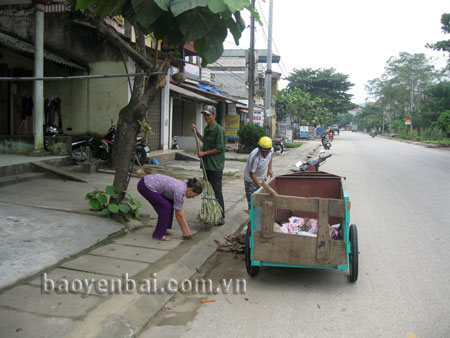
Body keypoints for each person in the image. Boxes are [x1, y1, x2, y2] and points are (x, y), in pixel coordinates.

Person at [137, 174, 202, 241]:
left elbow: (178, 207)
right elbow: (179, 213)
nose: (192, 197)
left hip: (147, 182)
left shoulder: (183, 186)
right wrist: (186, 232)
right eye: (194, 195)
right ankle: (158, 235)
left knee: (169, 204)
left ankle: (163, 229)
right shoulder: (180, 191)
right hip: (145, 186)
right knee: (165, 207)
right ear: (190, 189)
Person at [192, 105, 226, 225]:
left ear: (214, 115)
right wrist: (197, 133)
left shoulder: (219, 130)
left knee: (217, 190)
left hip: (215, 165)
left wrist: (204, 153)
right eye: (205, 115)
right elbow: (205, 141)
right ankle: (210, 212)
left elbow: (219, 148)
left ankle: (221, 215)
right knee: (208, 189)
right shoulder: (207, 129)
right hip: (206, 165)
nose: (206, 117)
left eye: (208, 114)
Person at [244, 136, 274, 210]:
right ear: (259, 148)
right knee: (252, 200)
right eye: (262, 151)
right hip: (251, 180)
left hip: (262, 177)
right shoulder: (254, 158)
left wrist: (269, 169)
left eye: (266, 151)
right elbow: (252, 174)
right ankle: (251, 219)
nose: (264, 153)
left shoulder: (271, 150)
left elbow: (270, 157)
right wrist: (260, 187)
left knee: (262, 198)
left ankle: (260, 215)